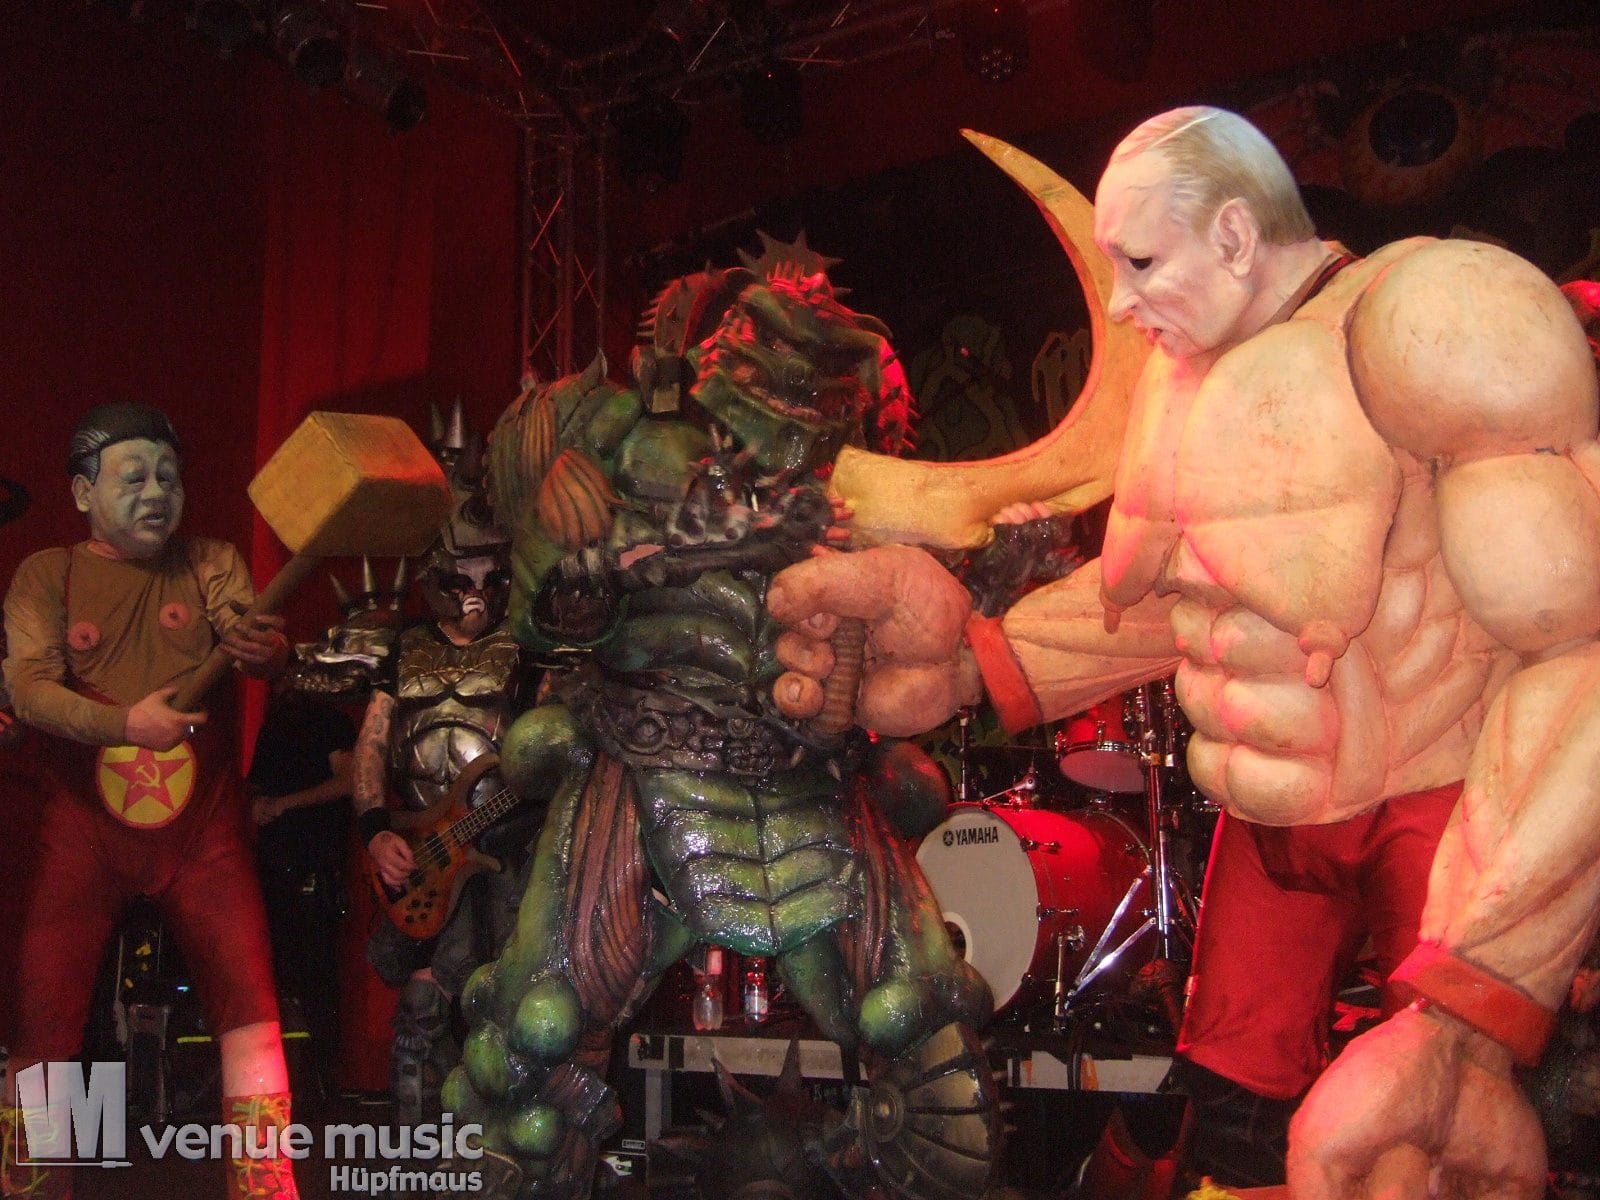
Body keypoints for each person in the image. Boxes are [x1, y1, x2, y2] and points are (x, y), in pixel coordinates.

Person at [767, 106, 1600, 1198]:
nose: (1118, 303)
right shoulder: (1186, 374)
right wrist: (980, 660)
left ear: (1236, 236)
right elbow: (1179, 599)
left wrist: (1478, 1005)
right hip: (1269, 817)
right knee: (1232, 1124)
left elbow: (1576, 652)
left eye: (1142, 262)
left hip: (1438, 805)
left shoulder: (1436, 321)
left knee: (1421, 1152)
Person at [1, 402, 304, 1199]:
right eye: (132, 477)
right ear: (81, 493)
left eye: (168, 476)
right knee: (44, 1018)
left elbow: (260, 647)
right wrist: (123, 724)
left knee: (251, 1009)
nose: (155, 492)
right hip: (81, 830)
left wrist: (265, 650)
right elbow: (29, 692)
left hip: (204, 832)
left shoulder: (210, 562)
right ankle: (32, 1187)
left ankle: (266, 1185)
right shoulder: (47, 575)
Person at [353, 438, 538, 1125]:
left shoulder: (525, 647)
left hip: (508, 847)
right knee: (422, 1013)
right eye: (462, 577)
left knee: (503, 1007)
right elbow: (373, 744)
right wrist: (375, 832)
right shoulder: (406, 648)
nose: (475, 594)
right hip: (426, 848)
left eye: (489, 575)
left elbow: (549, 744)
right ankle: (416, 1149)